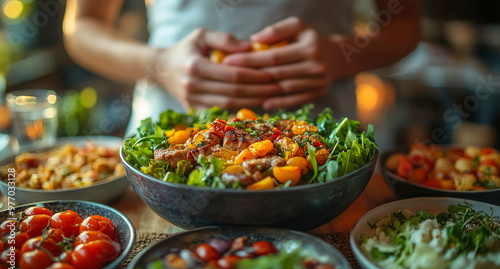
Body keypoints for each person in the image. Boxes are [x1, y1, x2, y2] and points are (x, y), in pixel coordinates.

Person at [63, 0, 420, 136]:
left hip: (323, 154)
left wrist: (347, 54)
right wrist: (159, 65)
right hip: (168, 146)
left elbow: (405, 23)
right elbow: (82, 25)